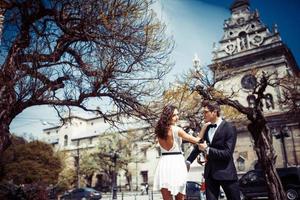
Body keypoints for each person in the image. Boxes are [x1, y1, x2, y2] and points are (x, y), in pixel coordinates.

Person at [186, 100, 241, 200]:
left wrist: (207, 149)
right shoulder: (206, 128)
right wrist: (188, 161)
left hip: (226, 173)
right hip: (210, 173)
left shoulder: (229, 128)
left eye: (206, 112)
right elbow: (198, 146)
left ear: (214, 112)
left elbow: (227, 153)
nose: (204, 114)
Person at [153, 105, 205, 200]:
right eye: (174, 115)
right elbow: (197, 140)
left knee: (166, 197)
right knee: (180, 197)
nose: (177, 117)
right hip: (176, 163)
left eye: (177, 115)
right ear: (168, 116)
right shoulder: (177, 130)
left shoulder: (159, 131)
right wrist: (205, 126)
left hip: (163, 163)